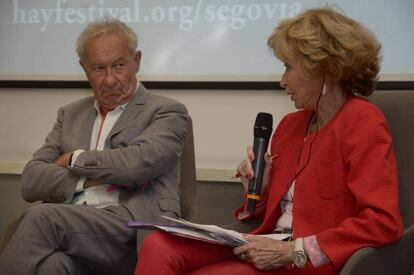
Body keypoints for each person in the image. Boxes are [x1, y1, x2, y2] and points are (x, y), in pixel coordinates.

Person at [134, 8, 403, 275]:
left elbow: (381, 223)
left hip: (312, 260)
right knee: (158, 244)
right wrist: (260, 191)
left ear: (324, 69)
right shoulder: (289, 126)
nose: (282, 80)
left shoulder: (362, 120)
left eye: (288, 67)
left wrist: (295, 252)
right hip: (270, 244)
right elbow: (274, 214)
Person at [0, 18, 188, 275]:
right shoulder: (70, 115)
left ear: (137, 61)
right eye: (98, 68)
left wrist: (75, 159)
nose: (110, 80)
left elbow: (138, 165)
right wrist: (85, 182)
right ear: (84, 69)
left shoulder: (166, 111)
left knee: (42, 219)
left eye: (119, 66)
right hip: (76, 229)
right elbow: (31, 180)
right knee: (53, 267)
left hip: (131, 229)